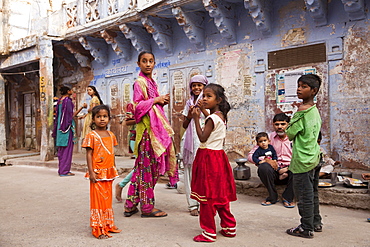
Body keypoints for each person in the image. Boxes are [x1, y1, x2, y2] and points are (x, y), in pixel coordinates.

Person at [123, 51, 177, 218]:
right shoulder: (139, 82)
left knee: (141, 169)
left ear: (154, 63)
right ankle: (147, 206)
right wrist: (156, 100)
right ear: (138, 64)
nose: (148, 64)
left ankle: (130, 204)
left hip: (152, 130)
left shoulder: (151, 82)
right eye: (144, 61)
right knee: (148, 169)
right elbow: (138, 107)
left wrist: (160, 101)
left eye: (151, 61)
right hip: (148, 133)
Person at [190, 83, 237, 243]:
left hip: (208, 158)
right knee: (219, 195)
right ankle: (229, 227)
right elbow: (211, 119)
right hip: (219, 157)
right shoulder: (220, 115)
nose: (204, 99)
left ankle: (208, 232)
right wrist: (202, 111)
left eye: (208, 96)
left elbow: (203, 137)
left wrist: (196, 119)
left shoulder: (211, 118)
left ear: (218, 100)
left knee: (207, 196)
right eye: (203, 96)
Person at [285, 74, 323, 239]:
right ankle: (316, 222)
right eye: (299, 85)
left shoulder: (301, 111)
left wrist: (291, 121)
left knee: (304, 195)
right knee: (312, 193)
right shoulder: (315, 110)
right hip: (315, 156)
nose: (299, 89)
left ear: (313, 90)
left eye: (304, 86)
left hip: (303, 159)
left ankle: (306, 228)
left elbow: (290, 133)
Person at [82, 104, 121, 239]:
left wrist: (114, 167)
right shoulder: (91, 136)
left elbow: (112, 153)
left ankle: (107, 224)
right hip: (97, 172)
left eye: (105, 116)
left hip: (108, 171)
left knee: (106, 199)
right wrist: (91, 171)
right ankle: (97, 227)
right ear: (93, 119)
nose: (102, 119)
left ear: (109, 119)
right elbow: (88, 154)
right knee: (97, 200)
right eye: (98, 117)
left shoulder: (111, 135)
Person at [247, 113, 295, 208]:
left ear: (288, 125)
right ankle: (272, 196)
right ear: (273, 125)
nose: (279, 127)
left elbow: (300, 157)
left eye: (283, 124)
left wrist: (288, 168)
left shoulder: (294, 138)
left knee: (300, 169)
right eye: (277, 124)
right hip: (273, 173)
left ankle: (288, 197)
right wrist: (267, 160)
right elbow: (250, 156)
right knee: (263, 167)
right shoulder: (266, 138)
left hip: (289, 172)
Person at [181, 74, 209, 216]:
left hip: (203, 140)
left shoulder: (209, 101)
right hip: (189, 141)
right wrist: (191, 114)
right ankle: (192, 204)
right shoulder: (188, 103)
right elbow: (184, 124)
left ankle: (203, 202)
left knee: (203, 172)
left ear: (204, 86)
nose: (196, 88)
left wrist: (202, 109)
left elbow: (212, 119)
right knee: (189, 172)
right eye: (194, 85)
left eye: (199, 85)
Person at [52, 86, 85, 177]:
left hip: (59, 128)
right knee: (67, 150)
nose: (72, 91)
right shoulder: (68, 101)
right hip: (66, 128)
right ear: (68, 91)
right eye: (70, 90)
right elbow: (71, 115)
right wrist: (82, 107)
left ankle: (61, 170)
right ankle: (65, 171)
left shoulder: (60, 101)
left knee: (61, 151)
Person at [115, 102, 136, 203]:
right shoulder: (132, 106)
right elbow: (126, 122)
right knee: (140, 167)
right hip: (136, 139)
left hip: (148, 140)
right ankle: (121, 185)